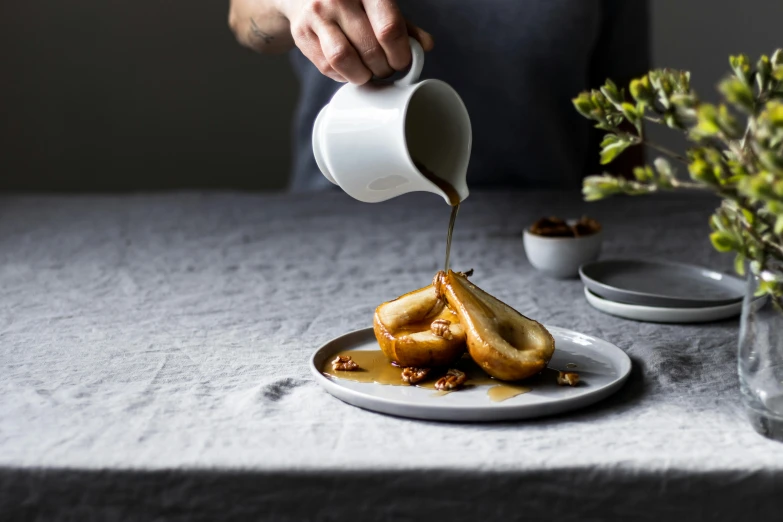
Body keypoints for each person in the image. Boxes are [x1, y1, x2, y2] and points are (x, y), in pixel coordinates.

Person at [228, 0, 649, 191]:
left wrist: (626, 221)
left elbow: (624, 104)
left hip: (546, 219)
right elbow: (243, 18)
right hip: (338, 211)